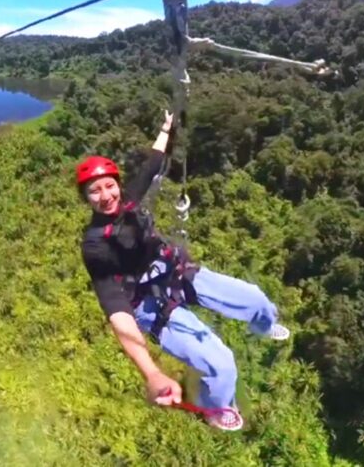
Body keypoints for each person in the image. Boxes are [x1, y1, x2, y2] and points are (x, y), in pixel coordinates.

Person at [77, 111, 290, 431]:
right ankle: (214, 405)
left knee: (256, 299)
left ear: (118, 185)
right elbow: (116, 309)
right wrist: (151, 373)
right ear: (85, 198)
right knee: (222, 364)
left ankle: (262, 325)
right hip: (149, 304)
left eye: (109, 185)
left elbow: (153, 161)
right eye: (95, 191)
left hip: (177, 272)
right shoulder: (94, 245)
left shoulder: (130, 200)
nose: (106, 195)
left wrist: (166, 128)